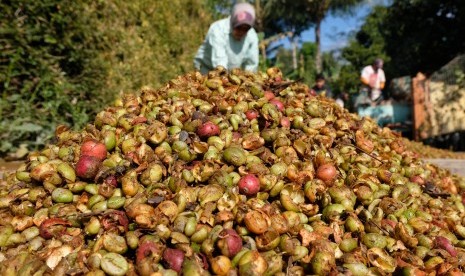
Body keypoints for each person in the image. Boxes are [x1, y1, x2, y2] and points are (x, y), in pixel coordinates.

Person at [194, 3, 259, 74]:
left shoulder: (252, 35)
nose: (241, 32)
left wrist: (249, 78)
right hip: (206, 68)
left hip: (229, 72)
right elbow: (219, 61)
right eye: (239, 27)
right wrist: (224, 78)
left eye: (245, 29)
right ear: (233, 22)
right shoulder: (218, 29)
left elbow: (251, 64)